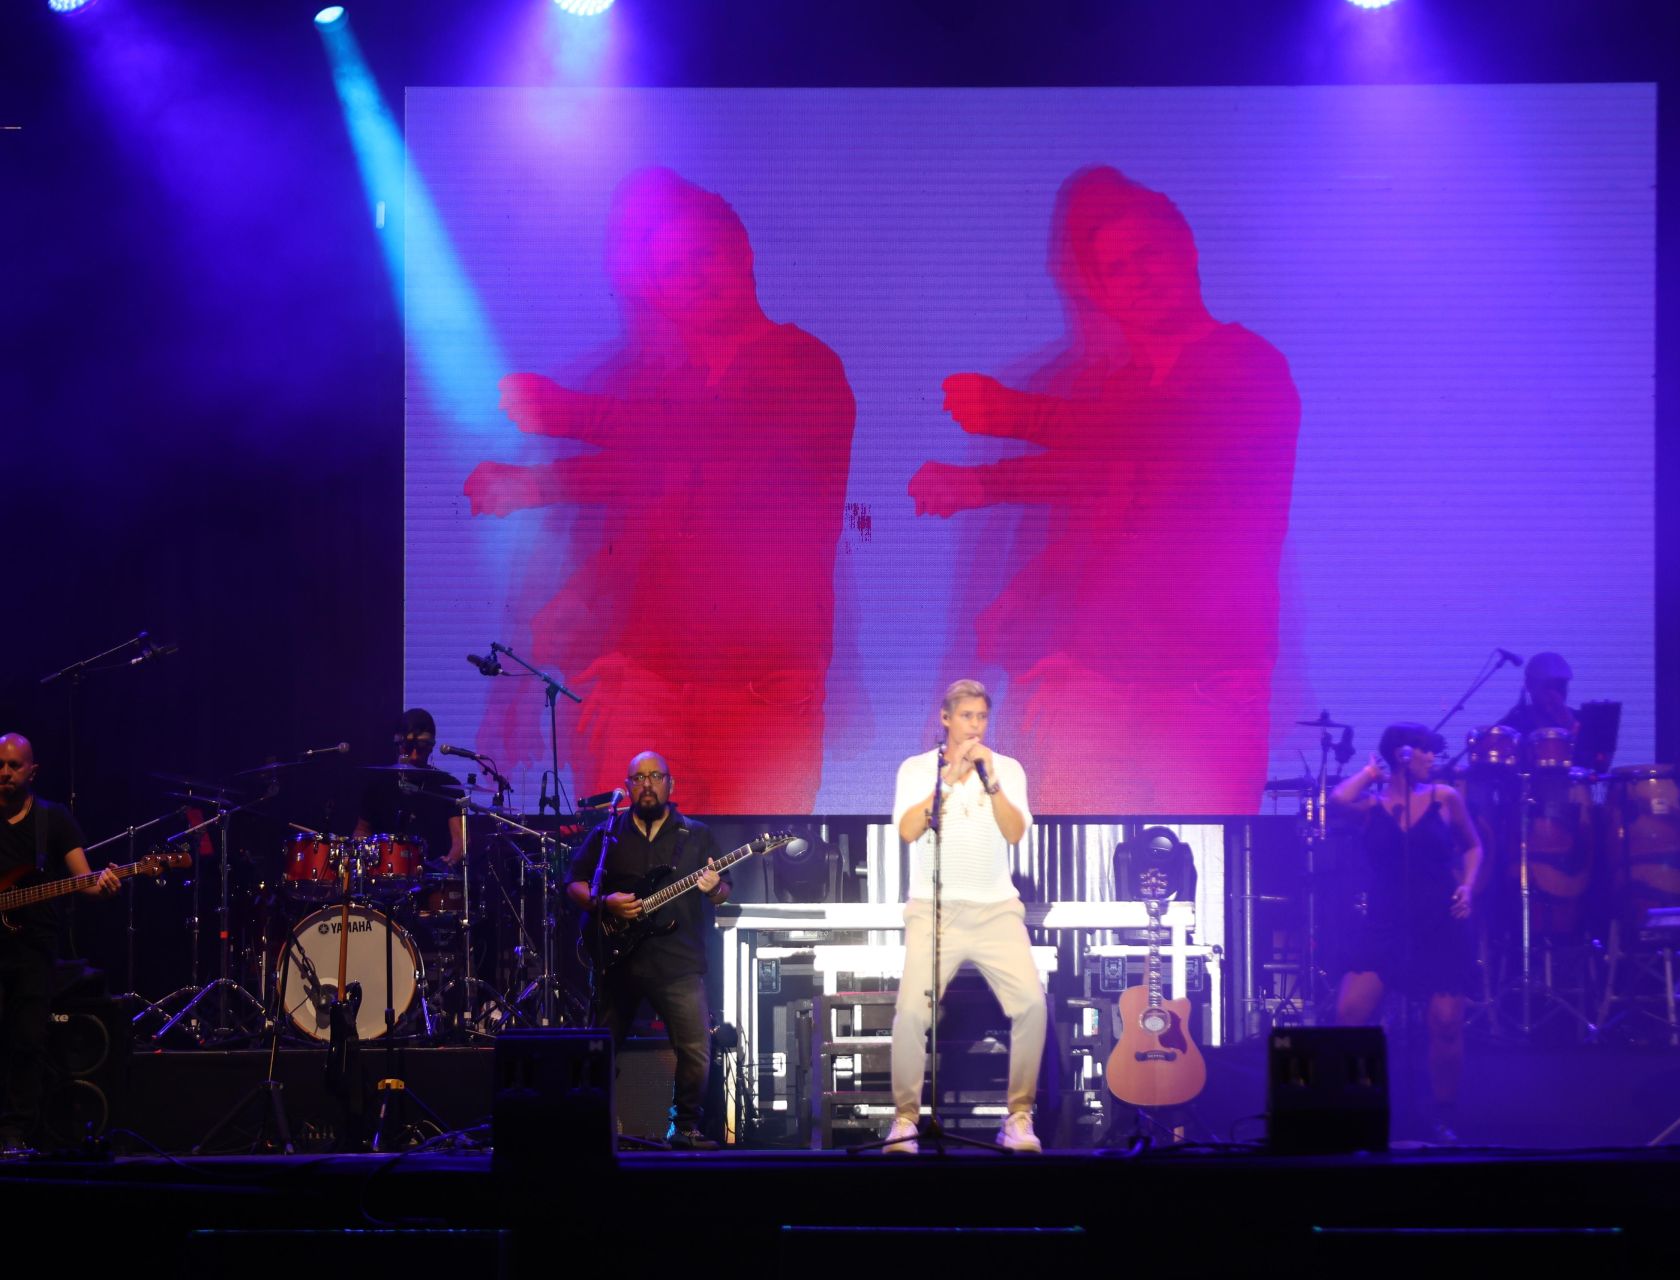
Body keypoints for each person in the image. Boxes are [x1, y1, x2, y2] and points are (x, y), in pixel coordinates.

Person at [907, 166, 1302, 813]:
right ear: (1102, 291)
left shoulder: (1247, 365)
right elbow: (1101, 485)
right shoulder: (1124, 388)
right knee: (1075, 876)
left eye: (1149, 255)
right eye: (1117, 269)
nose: (1138, 277)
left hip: (1205, 686)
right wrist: (1023, 575)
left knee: (1195, 873)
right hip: (1099, 678)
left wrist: (1011, 419)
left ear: (1188, 252)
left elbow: (1156, 440)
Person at [466, 168, 855, 814]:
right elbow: (657, 476)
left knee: (744, 893)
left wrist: (565, 424)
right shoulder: (671, 391)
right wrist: (539, 487)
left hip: (762, 699)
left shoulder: (804, 365)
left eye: (703, 255)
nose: (693, 276)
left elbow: (710, 450)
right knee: (631, 897)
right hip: (654, 685)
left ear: (742, 252)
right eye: (672, 267)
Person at [884, 680, 1045, 1153]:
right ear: (945, 718)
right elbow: (910, 830)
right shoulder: (917, 770)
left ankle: (1018, 1116)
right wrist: (950, 780)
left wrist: (989, 779)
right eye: (967, 716)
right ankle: (905, 1120)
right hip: (933, 912)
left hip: (996, 910)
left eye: (981, 717)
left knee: (1032, 1006)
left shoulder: (1007, 768)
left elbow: (1016, 834)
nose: (975, 725)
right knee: (912, 1012)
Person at [1329, 723, 1484, 1143]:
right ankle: (1357, 1107)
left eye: (1434, 753)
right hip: (1386, 920)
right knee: (1351, 1015)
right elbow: (1337, 799)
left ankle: (1443, 1114)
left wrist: (1467, 886)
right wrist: (1369, 774)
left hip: (1440, 919)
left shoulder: (1445, 798)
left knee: (1446, 1022)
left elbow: (1473, 846)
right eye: (1425, 752)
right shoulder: (1372, 807)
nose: (1433, 759)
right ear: (1402, 754)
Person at [565, 751, 727, 1148]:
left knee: (695, 1049)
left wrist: (715, 890)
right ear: (629, 786)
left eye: (656, 776)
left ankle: (685, 1126)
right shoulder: (609, 833)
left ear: (671, 785)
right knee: (600, 1047)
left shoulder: (696, 834)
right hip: (619, 961)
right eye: (639, 778)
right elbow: (574, 882)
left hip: (679, 960)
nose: (648, 784)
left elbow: (724, 893)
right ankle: (592, 1126)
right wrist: (605, 903)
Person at [0, 733, 120, 1154]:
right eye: (0, 764)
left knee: (26, 1039)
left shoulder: (52, 819)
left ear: (32, 771)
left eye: (14, 766)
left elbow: (83, 878)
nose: (4, 772)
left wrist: (101, 887)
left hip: (32, 947)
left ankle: (14, 1133)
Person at [355, 708, 465, 866]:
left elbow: (461, 840)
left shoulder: (447, 786)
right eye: (408, 748)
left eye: (420, 750)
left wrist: (448, 863)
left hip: (432, 879)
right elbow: (362, 830)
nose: (414, 756)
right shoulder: (379, 784)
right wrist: (362, 850)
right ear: (398, 745)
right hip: (384, 877)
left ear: (430, 747)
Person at [1497, 652, 1578, 738]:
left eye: (1559, 686)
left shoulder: (1582, 720)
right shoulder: (1515, 721)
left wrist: (1569, 723)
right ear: (1529, 685)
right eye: (1548, 686)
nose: (1554, 694)